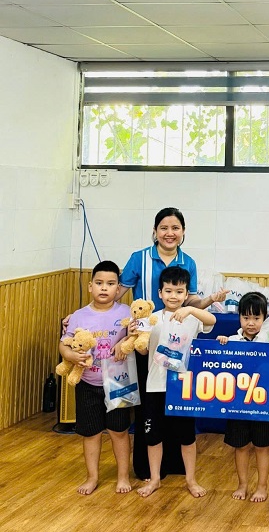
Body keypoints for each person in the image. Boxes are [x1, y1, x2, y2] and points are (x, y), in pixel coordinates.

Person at [137, 265, 216, 498]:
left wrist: (190, 310)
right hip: (155, 385)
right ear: (160, 293)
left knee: (187, 436)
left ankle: (191, 479)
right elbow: (142, 351)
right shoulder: (151, 319)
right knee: (153, 436)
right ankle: (155, 479)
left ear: (186, 294)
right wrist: (134, 335)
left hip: (183, 386)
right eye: (169, 291)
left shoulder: (191, 318)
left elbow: (211, 319)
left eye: (179, 291)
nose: (174, 296)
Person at [59, 260, 132, 495]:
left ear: (118, 288)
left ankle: (123, 477)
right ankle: (92, 478)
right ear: (90, 286)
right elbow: (64, 344)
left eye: (110, 284)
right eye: (99, 283)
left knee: (119, 431)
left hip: (118, 382)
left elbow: (136, 336)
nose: (104, 288)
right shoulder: (78, 316)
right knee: (91, 433)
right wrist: (71, 355)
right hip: (87, 383)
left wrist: (124, 341)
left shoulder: (126, 312)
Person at [217, 291, 269, 502]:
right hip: (238, 404)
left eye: (256, 318)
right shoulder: (233, 340)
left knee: (262, 447)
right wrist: (221, 343)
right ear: (239, 317)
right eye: (246, 317)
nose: (251, 323)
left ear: (265, 318)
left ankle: (262, 486)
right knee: (241, 446)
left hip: (262, 403)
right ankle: (242, 484)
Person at [118, 207, 225, 310]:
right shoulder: (138, 258)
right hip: (145, 322)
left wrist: (210, 299)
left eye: (175, 228)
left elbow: (190, 302)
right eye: (164, 228)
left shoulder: (189, 263)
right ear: (155, 230)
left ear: (183, 230)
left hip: (177, 322)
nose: (169, 233)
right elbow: (117, 293)